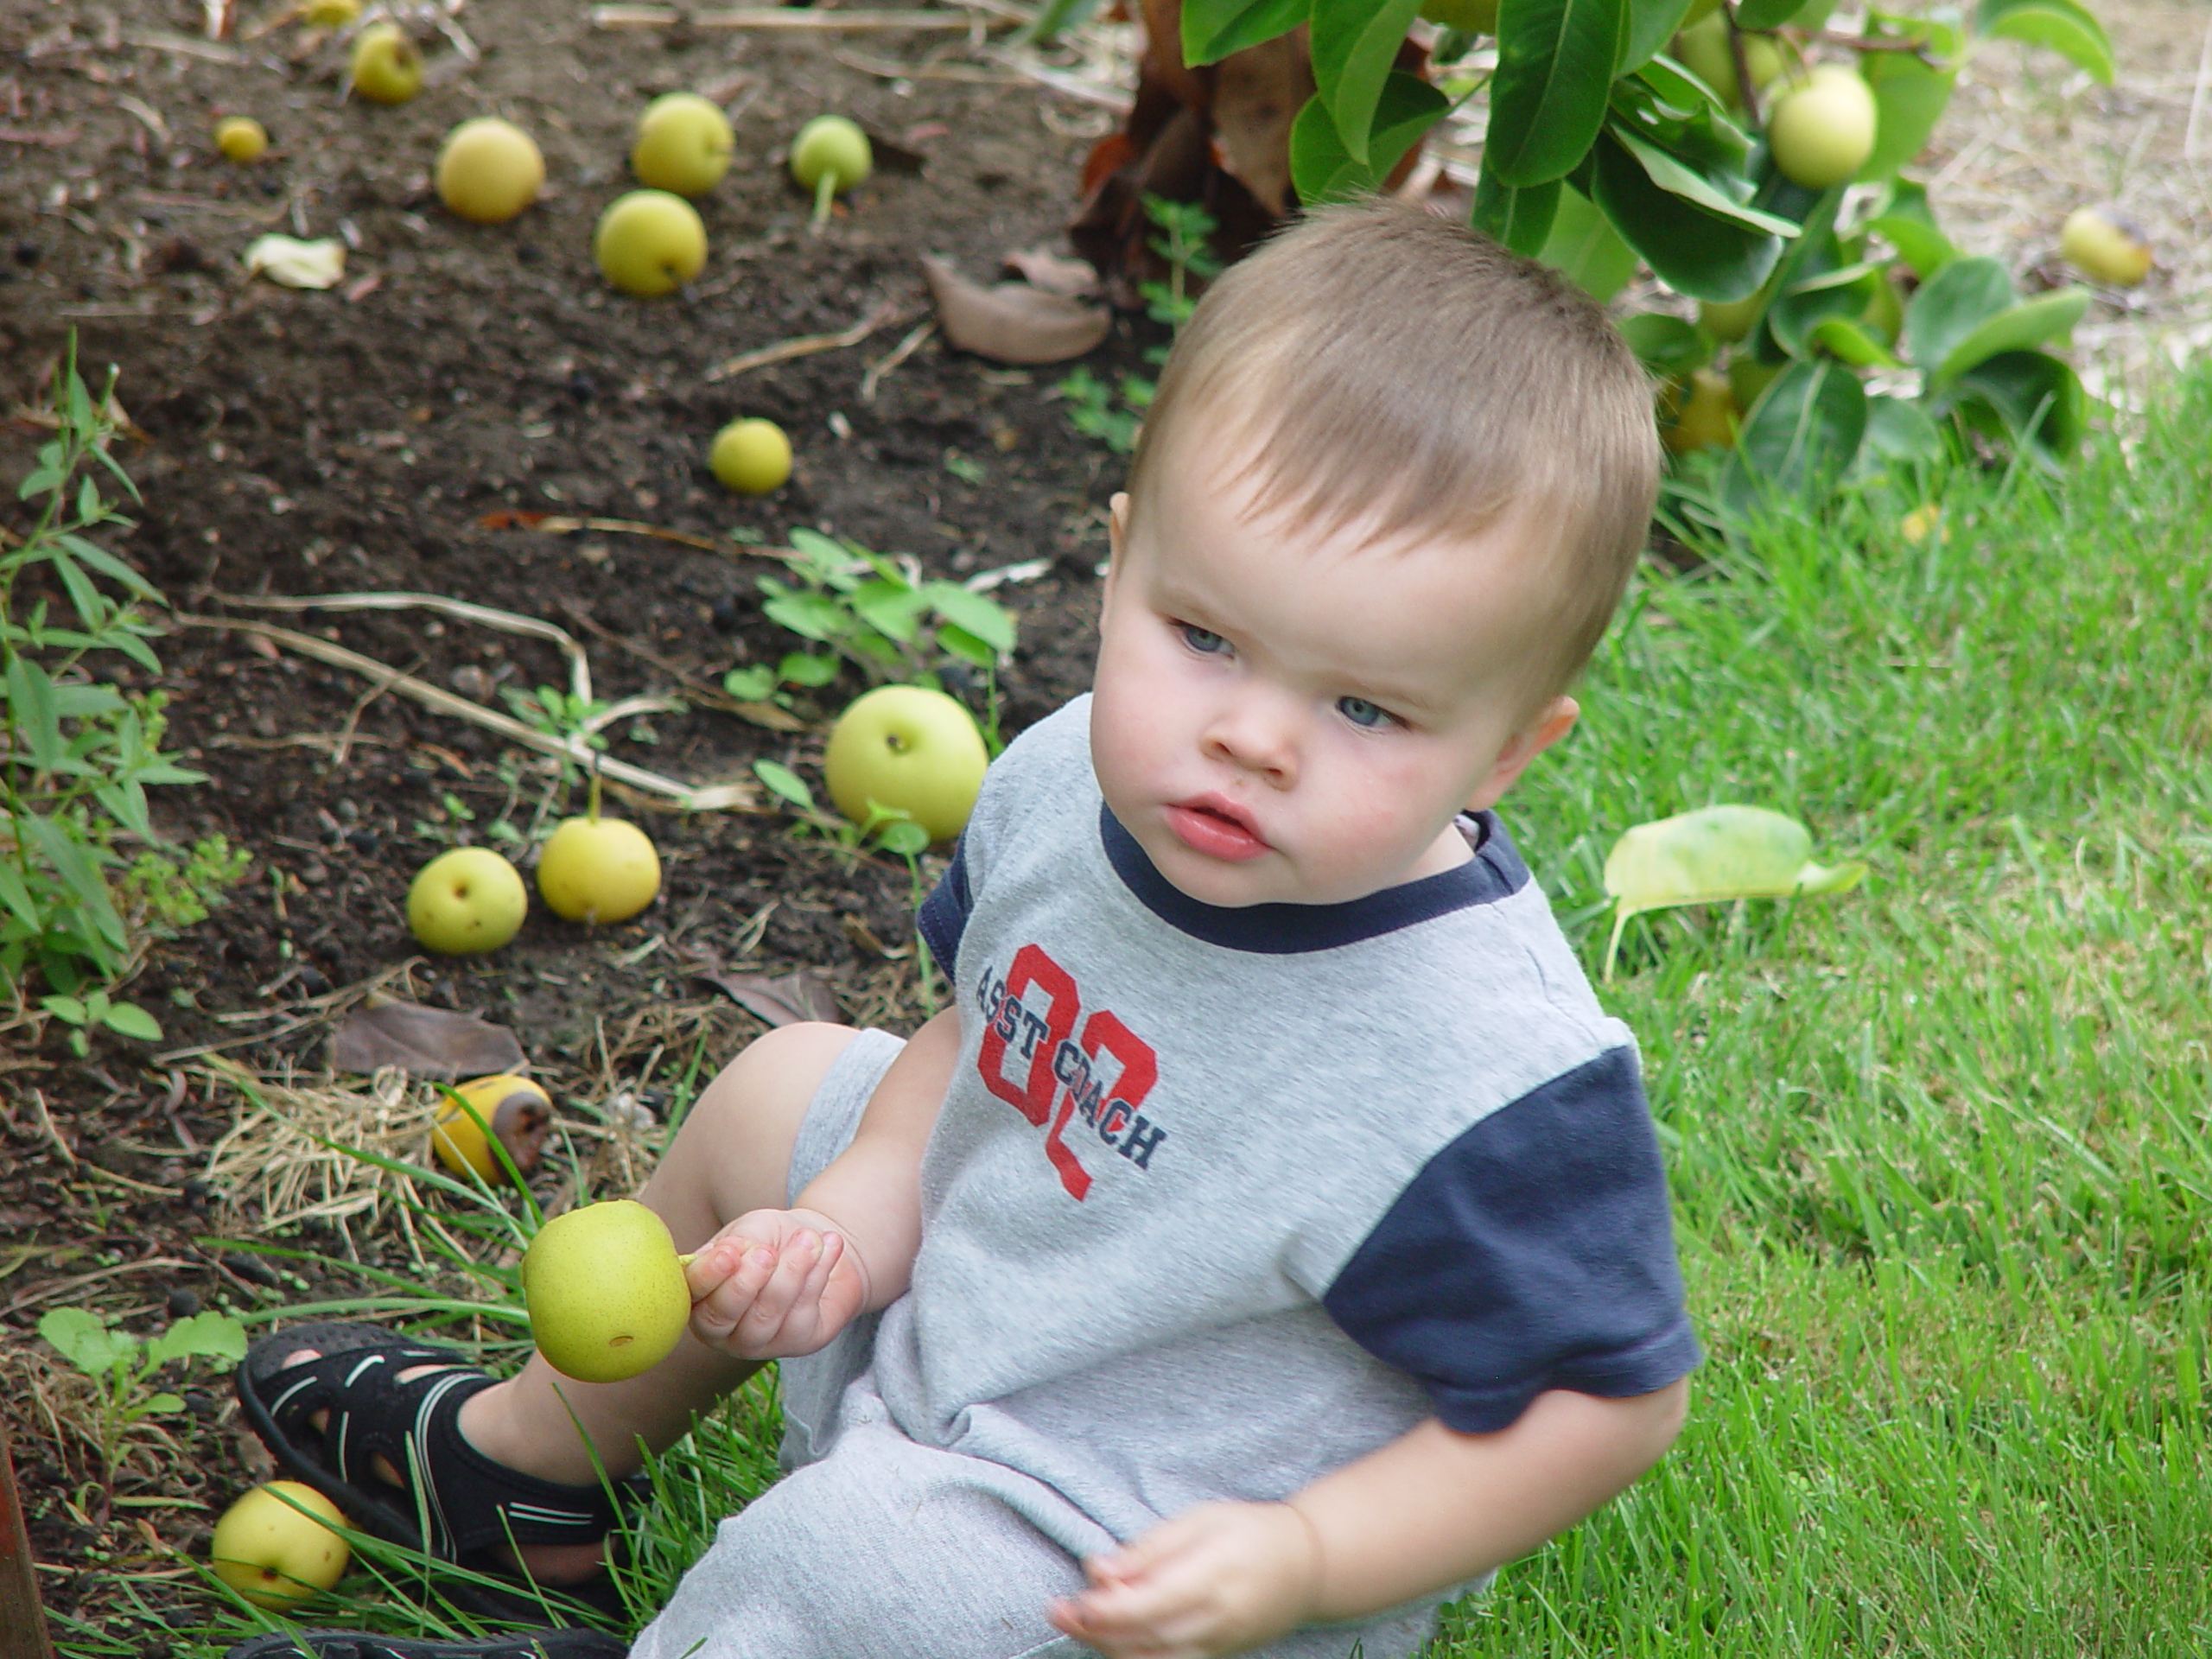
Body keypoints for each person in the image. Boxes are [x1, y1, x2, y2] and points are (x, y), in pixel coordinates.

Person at [226, 198, 1698, 1659]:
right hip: (983, 1311)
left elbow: (1610, 1400)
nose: (1250, 738)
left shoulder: (1479, 1074)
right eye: (1204, 638)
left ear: (1509, 749)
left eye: (1366, 707)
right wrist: (849, 1232)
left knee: (862, 1571)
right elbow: (979, 1042)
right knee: (783, 1087)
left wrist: (1309, 1555)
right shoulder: (1075, 776)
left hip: (1125, 1540)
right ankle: (525, 1473)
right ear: (1121, 565)